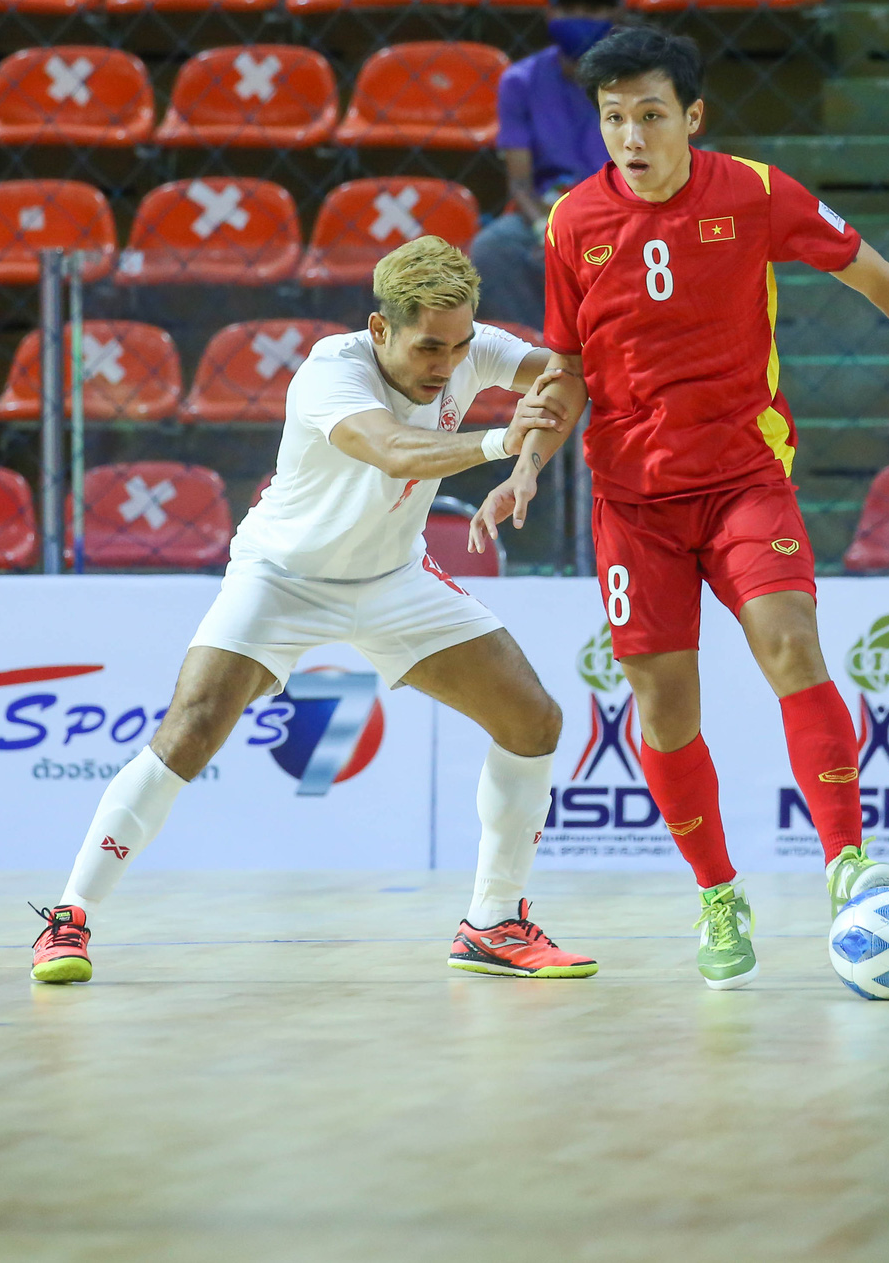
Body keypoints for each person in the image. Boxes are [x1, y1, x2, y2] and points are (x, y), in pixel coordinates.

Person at [472, 24, 889, 990]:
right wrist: (525, 459)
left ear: (693, 116)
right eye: (614, 120)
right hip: (632, 501)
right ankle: (717, 891)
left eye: (652, 115)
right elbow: (565, 367)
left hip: (742, 478)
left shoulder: (756, 194)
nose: (633, 138)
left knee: (790, 640)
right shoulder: (570, 224)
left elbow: (878, 277)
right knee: (663, 701)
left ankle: (847, 862)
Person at [31, 238, 595, 986]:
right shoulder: (332, 371)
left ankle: (492, 922)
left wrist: (527, 465)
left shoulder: (470, 349)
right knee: (191, 726)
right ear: (381, 328)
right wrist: (499, 439)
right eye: (430, 347)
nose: (447, 364)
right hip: (282, 578)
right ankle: (71, 917)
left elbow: (571, 370)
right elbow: (394, 449)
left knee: (534, 720)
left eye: (460, 346)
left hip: (394, 577)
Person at [469, 0, 627, 332]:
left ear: (616, 13)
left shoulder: (640, 79)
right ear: (549, 12)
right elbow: (520, 184)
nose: (580, 18)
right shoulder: (520, 81)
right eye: (568, 9)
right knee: (493, 249)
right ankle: (542, 350)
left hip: (626, 210)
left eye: (593, 10)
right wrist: (546, 226)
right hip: (549, 210)